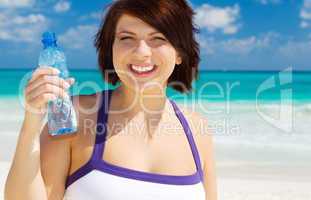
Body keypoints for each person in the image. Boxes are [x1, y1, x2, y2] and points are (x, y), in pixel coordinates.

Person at [5, 0, 217, 199]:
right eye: (127, 38)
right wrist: (31, 123)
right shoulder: (75, 116)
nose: (142, 52)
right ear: (111, 48)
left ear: (180, 53)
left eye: (158, 39)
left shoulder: (198, 130)